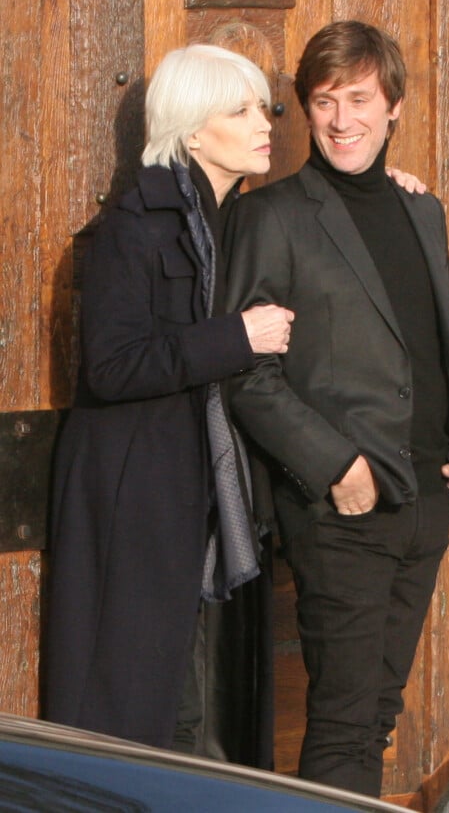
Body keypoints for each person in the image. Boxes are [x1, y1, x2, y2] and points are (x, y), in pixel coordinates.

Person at [224, 20, 449, 797]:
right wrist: (336, 465)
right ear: (305, 111)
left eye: (360, 99)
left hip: (425, 499)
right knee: (343, 727)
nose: (343, 120)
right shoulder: (270, 216)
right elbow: (246, 375)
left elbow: (436, 340)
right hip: (344, 509)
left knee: (376, 717)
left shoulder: (423, 210)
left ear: (395, 105)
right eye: (323, 101)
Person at [44, 43, 295, 754]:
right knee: (130, 699)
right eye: (239, 109)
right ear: (191, 131)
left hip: (202, 491)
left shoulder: (235, 219)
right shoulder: (134, 225)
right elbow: (113, 366)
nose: (262, 121)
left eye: (263, 106)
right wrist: (235, 338)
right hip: (136, 493)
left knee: (202, 701)